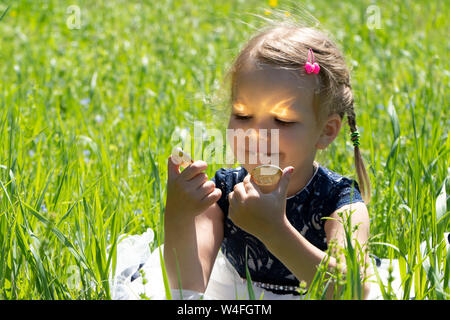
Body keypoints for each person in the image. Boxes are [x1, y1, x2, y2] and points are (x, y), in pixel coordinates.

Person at [111, 22, 383, 300]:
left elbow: (352, 291)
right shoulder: (224, 191)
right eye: (242, 115)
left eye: (282, 120)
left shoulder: (341, 201)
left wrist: (275, 231)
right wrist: (178, 216)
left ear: (326, 131)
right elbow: (187, 290)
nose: (256, 134)